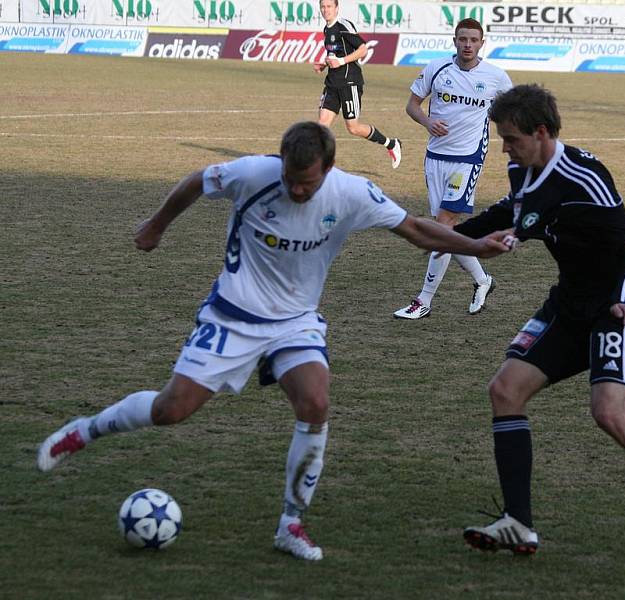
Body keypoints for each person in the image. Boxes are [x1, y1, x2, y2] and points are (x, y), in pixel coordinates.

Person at [36, 122, 510, 561]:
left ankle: (291, 523)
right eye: (290, 179)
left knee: (316, 402)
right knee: (170, 411)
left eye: (307, 182)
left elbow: (416, 230)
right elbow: (195, 182)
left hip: (295, 322)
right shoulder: (253, 174)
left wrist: (475, 245)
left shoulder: (352, 193)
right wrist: (157, 224)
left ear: (328, 168)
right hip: (233, 314)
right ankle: (86, 429)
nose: (297, 189)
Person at [453, 85, 625, 565]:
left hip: (614, 307)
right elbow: (514, 211)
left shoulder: (585, 176)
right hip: (567, 305)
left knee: (609, 413)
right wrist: (443, 233)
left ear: (542, 132)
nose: (504, 148)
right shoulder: (521, 168)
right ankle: (518, 524)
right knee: (505, 390)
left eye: (511, 138)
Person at [393, 18, 513, 320]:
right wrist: (427, 121)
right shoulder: (437, 68)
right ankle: (483, 280)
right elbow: (412, 105)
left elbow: (514, 111)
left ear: (482, 43)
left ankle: (424, 300)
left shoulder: (496, 77)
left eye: (474, 40)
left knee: (444, 226)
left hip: (468, 158)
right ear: (455, 40)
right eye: (463, 39)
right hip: (435, 157)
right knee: (446, 229)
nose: (468, 45)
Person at [314, 0, 401, 168]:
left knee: (353, 128)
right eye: (323, 7)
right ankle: (321, 164)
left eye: (329, 6)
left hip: (349, 82)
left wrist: (341, 61)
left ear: (337, 8)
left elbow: (362, 49)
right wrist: (324, 64)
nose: (326, 10)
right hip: (332, 83)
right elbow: (335, 52)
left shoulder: (343, 25)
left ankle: (391, 144)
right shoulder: (327, 28)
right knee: (322, 125)